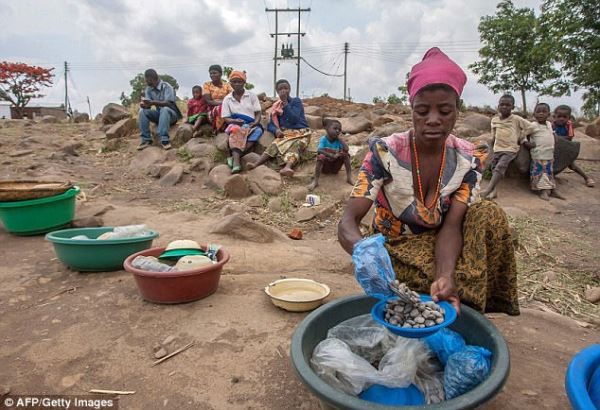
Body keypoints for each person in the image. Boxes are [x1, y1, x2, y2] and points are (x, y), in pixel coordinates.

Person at [338, 47, 519, 316]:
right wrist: (363, 252)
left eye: (444, 111)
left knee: (489, 215)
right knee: (405, 273)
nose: (433, 120)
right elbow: (348, 222)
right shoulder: (385, 152)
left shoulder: (469, 159)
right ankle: (436, 301)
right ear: (411, 109)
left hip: (444, 245)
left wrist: (445, 273)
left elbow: (452, 226)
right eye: (422, 111)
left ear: (457, 110)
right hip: (395, 252)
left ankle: (456, 305)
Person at [247, 79, 313, 177]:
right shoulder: (276, 106)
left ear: (289, 89)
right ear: (277, 92)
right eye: (280, 89)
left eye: (285, 88)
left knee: (297, 145)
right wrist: (276, 130)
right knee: (275, 143)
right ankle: (256, 164)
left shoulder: (296, 101)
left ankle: (288, 167)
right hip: (286, 133)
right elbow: (271, 124)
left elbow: (294, 119)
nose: (283, 91)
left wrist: (286, 103)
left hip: (301, 132)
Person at [480, 94, 535, 199]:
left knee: (500, 167)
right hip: (497, 148)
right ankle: (494, 191)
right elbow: (494, 134)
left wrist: (521, 137)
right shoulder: (494, 120)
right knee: (494, 168)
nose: (504, 107)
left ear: (513, 107)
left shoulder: (516, 119)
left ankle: (488, 189)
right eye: (502, 104)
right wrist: (493, 142)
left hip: (510, 149)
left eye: (508, 105)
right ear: (498, 106)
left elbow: (531, 127)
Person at [221, 70, 263, 174]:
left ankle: (234, 157)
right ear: (231, 84)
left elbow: (258, 112)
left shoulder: (252, 96)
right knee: (237, 130)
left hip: (251, 123)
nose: (237, 84)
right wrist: (234, 121)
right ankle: (236, 163)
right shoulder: (227, 99)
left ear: (244, 82)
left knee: (257, 132)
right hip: (235, 123)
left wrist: (256, 122)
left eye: (239, 81)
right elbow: (225, 117)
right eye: (234, 82)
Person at [137, 69, 182, 151]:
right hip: (159, 115)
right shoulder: (149, 89)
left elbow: (169, 103)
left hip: (171, 115)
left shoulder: (167, 86)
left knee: (164, 109)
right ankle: (146, 140)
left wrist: (153, 102)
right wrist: (144, 105)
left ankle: (164, 139)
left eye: (146, 79)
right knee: (142, 111)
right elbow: (149, 106)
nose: (145, 81)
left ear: (151, 78)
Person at [526, 103, 563, 200]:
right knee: (539, 173)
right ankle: (542, 192)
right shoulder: (533, 125)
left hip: (549, 154)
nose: (541, 114)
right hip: (538, 154)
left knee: (549, 172)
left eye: (544, 112)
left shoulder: (549, 124)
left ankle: (552, 189)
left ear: (549, 114)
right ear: (534, 114)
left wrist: (554, 136)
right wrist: (526, 143)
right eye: (538, 112)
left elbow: (552, 132)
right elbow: (522, 135)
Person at [552, 105, 595, 187]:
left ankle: (587, 178)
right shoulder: (552, 125)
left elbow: (570, 137)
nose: (561, 118)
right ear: (555, 116)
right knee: (552, 164)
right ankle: (552, 177)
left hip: (566, 148)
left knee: (572, 166)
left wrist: (557, 137)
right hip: (554, 149)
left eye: (564, 117)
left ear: (569, 118)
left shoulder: (568, 125)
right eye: (559, 116)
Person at [308, 119, 353, 191]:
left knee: (346, 155)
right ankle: (315, 181)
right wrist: (330, 155)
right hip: (326, 167)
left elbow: (346, 149)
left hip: (335, 168)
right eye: (335, 128)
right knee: (321, 156)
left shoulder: (338, 141)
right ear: (326, 129)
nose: (337, 131)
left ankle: (349, 177)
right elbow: (319, 150)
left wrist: (340, 139)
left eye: (339, 130)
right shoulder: (324, 139)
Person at [203, 65, 233, 132]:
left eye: (214, 73)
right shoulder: (207, 85)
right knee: (220, 108)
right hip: (212, 109)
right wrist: (224, 103)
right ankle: (219, 128)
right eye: (211, 73)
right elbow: (208, 101)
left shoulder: (227, 85)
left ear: (220, 74)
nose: (212, 75)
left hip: (227, 107)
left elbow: (232, 97)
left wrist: (225, 103)